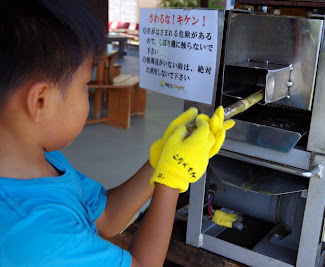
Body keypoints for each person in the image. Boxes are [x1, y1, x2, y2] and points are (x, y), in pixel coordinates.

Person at [0, 1, 234, 266]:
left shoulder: (41, 160)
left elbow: (107, 218)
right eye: (85, 85)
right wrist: (172, 178)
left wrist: (162, 159)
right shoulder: (37, 234)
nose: (87, 93)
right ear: (41, 100)